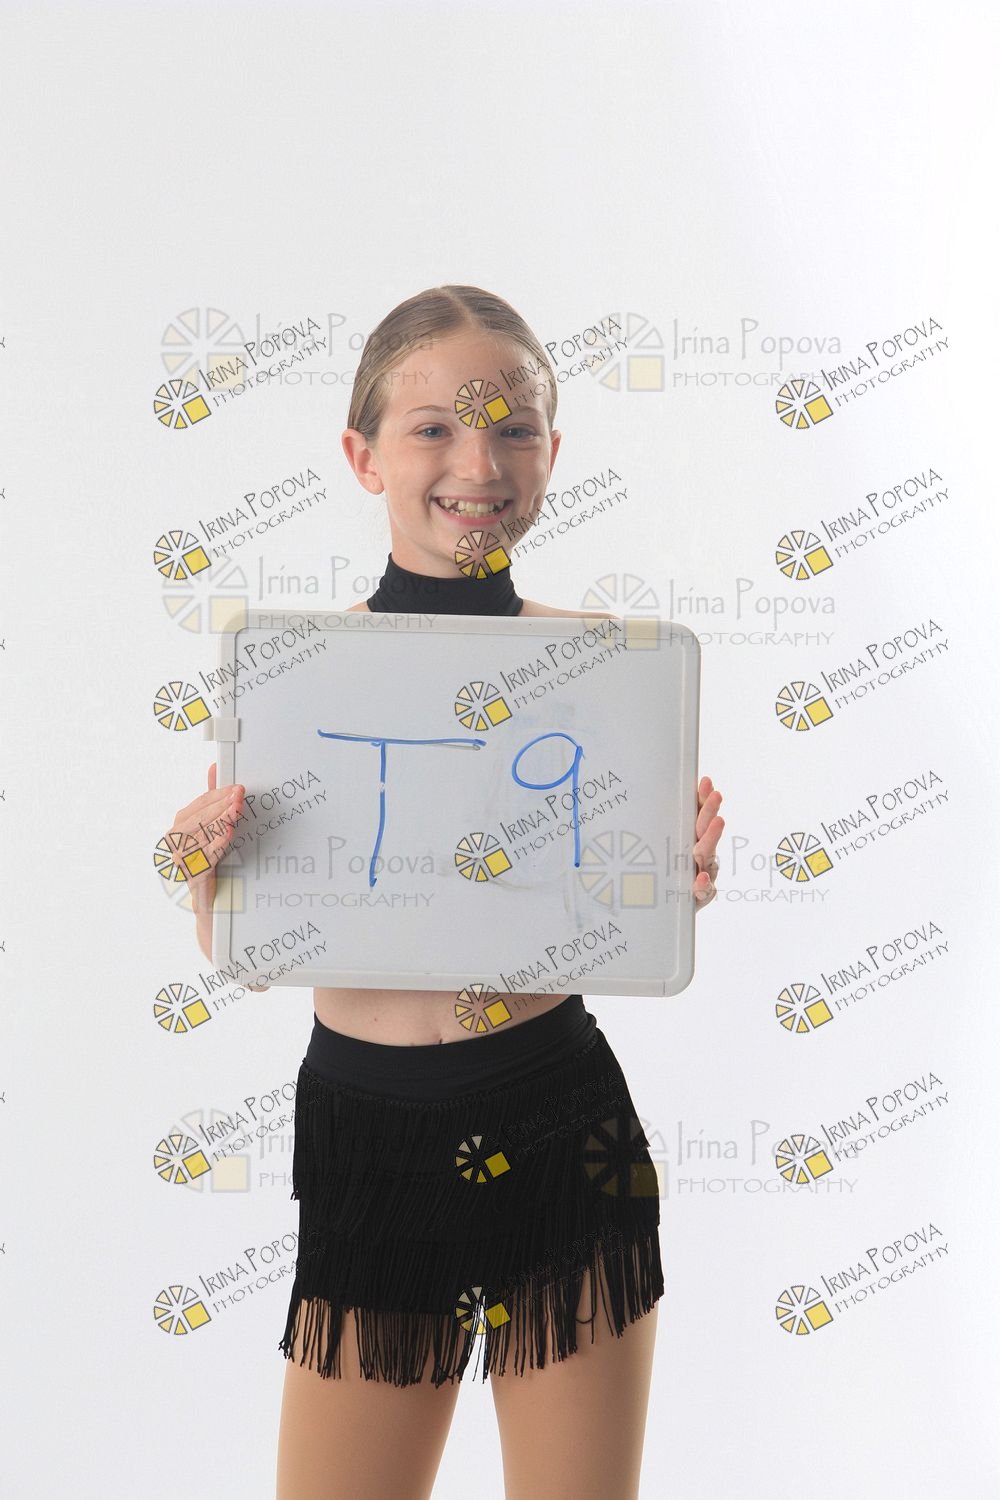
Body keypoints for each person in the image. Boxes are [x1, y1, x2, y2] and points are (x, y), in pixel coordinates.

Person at [168, 284, 725, 1500]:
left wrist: (669, 883)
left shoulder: (603, 668)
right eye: (433, 428)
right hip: (367, 1136)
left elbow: (623, 906)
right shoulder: (298, 676)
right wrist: (204, 875)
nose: (478, 463)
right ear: (363, 455)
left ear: (550, 454)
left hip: (559, 1123)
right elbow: (256, 937)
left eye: (512, 429)